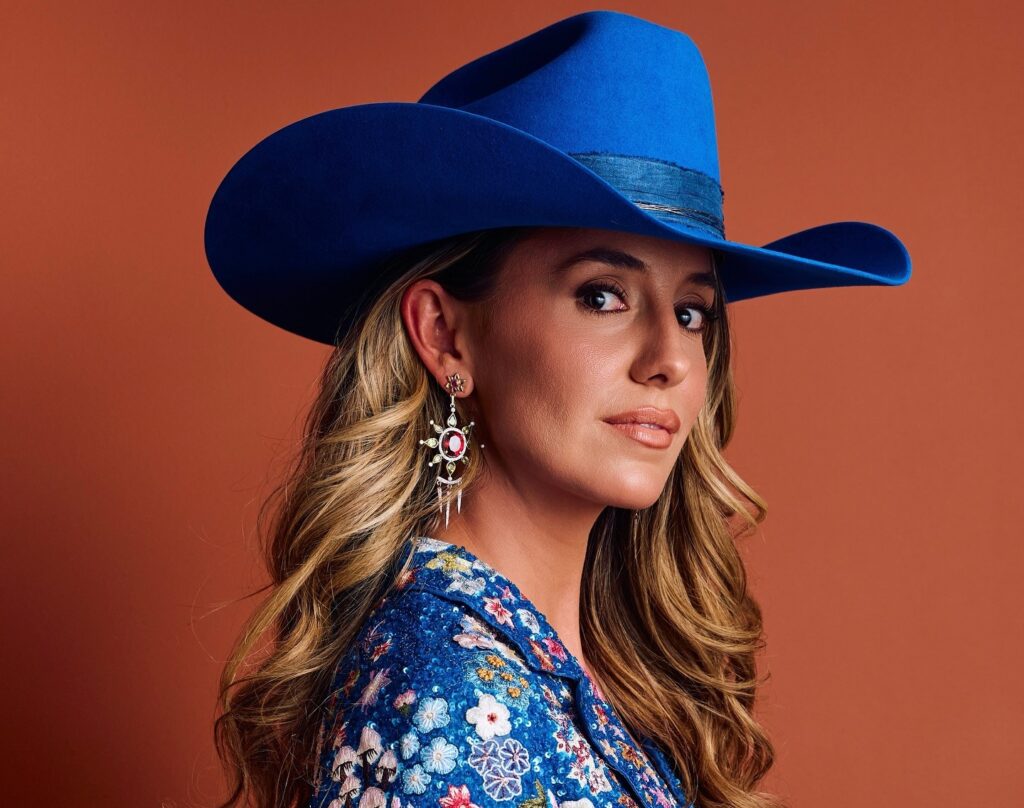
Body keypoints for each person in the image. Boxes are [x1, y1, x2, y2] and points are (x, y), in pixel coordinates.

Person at [203, 10, 911, 808]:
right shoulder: (452, 700)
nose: (671, 359)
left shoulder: (581, 671)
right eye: (602, 296)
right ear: (444, 334)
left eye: (692, 312)